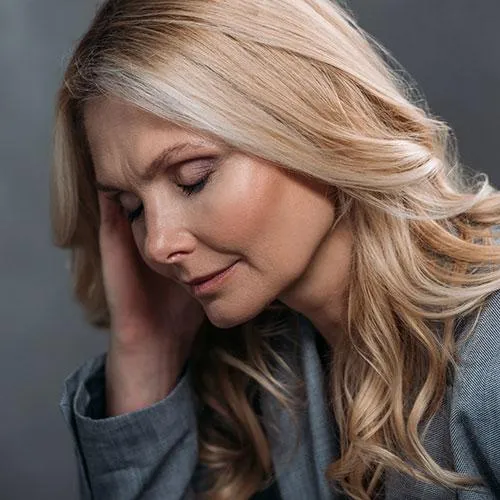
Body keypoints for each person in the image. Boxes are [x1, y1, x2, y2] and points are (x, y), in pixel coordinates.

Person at [51, 0, 500, 499]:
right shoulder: (264, 380)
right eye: (133, 208)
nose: (158, 244)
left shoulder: (491, 355)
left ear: (309, 118)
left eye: (193, 179)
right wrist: (144, 346)